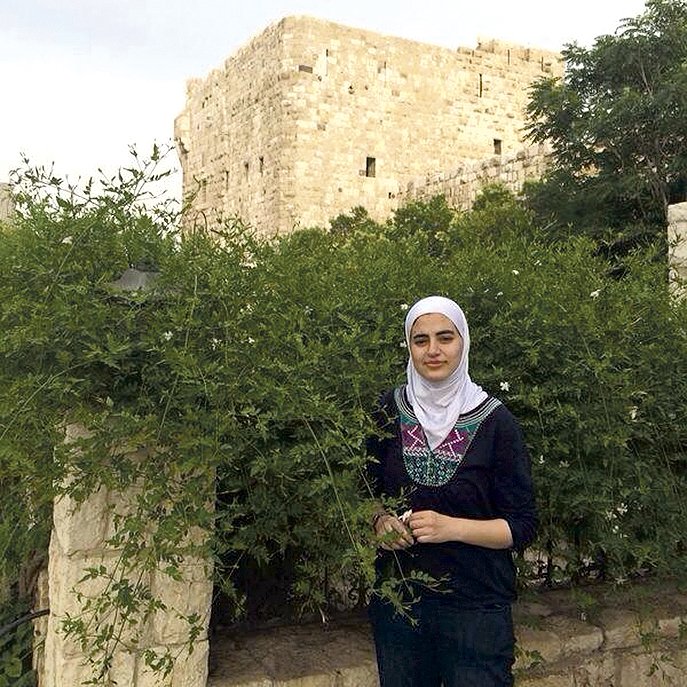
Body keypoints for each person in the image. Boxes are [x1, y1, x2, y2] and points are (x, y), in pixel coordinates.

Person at [366, 295, 537, 687]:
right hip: (400, 603)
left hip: (475, 609)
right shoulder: (387, 410)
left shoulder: (496, 422)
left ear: (464, 342)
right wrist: (378, 521)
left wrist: (451, 528)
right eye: (420, 340)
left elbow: (523, 525)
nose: (433, 350)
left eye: (445, 337)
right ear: (408, 347)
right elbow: (361, 490)